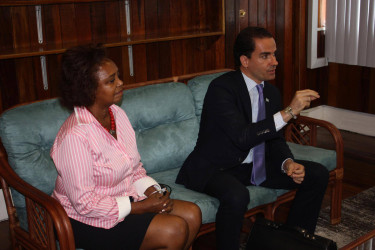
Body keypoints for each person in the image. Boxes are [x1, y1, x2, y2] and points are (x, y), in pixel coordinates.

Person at [176, 26, 329, 250]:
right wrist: (288, 112)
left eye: (274, 54)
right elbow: (242, 137)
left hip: (252, 166)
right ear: (245, 61)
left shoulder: (271, 92)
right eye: (265, 56)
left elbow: (274, 139)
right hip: (216, 167)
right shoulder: (222, 89)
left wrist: (288, 163)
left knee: (316, 174)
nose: (274, 61)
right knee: (237, 196)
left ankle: (293, 243)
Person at [51, 44, 202, 250]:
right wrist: (138, 207)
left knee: (193, 214)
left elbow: (134, 169)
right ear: (88, 89)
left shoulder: (117, 114)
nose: (121, 83)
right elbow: (84, 203)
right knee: (173, 229)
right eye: (111, 81)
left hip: (125, 200)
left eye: (118, 76)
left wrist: (153, 193)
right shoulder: (75, 136)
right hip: (83, 219)